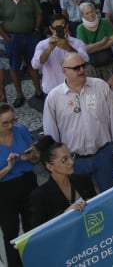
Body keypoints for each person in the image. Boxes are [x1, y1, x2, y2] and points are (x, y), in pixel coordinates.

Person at [42, 52, 113, 192]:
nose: (82, 70)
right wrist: (57, 163)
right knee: (82, 201)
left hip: (103, 155)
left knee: (109, 195)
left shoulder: (101, 86)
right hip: (74, 161)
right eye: (76, 68)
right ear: (63, 71)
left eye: (84, 66)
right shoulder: (54, 97)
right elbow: (51, 132)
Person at [0, 103, 37, 267]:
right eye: (5, 123)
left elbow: (36, 158)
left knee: (34, 225)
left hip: (27, 182)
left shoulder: (21, 130)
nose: (10, 126)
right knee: (10, 232)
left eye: (12, 121)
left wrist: (32, 156)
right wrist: (8, 168)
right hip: (5, 189)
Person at [75, 1, 113, 81]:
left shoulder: (104, 22)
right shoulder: (80, 28)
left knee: (111, 87)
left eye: (92, 11)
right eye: (87, 13)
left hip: (107, 61)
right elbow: (85, 48)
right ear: (82, 15)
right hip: (91, 65)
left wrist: (95, 48)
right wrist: (102, 42)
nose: (90, 14)